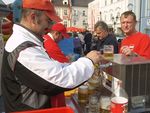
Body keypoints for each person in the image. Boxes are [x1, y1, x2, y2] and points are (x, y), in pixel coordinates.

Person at [1, 0, 102, 112]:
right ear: (33, 18)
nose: (50, 26)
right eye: (48, 21)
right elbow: (59, 79)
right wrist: (89, 61)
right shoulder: (24, 49)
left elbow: (50, 68)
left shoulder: (25, 42)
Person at [43, 23, 70, 107]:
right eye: (62, 37)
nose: (62, 40)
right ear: (56, 33)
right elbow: (66, 65)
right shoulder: (51, 45)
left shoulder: (45, 38)